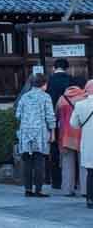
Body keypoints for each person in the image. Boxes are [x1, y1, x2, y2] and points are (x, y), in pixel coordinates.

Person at [16, 73, 57, 198]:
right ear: (44, 84)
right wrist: (53, 132)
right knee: (39, 160)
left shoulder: (24, 97)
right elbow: (50, 116)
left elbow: (18, 114)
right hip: (40, 132)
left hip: (25, 132)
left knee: (27, 161)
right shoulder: (46, 97)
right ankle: (38, 190)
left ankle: (28, 189)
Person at [57, 82, 89, 197]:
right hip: (81, 134)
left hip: (66, 135)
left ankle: (67, 190)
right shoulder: (83, 98)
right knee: (84, 164)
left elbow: (57, 115)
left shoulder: (62, 99)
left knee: (67, 163)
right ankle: (85, 190)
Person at [48, 59, 76, 189]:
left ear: (54, 67)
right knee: (71, 149)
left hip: (53, 119)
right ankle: (73, 181)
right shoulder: (72, 80)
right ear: (67, 68)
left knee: (54, 150)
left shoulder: (49, 81)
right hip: (70, 121)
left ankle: (56, 181)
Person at [69, 79, 93, 209]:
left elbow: (74, 124)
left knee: (91, 172)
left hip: (89, 142)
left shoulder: (80, 105)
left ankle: (90, 200)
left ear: (86, 90)